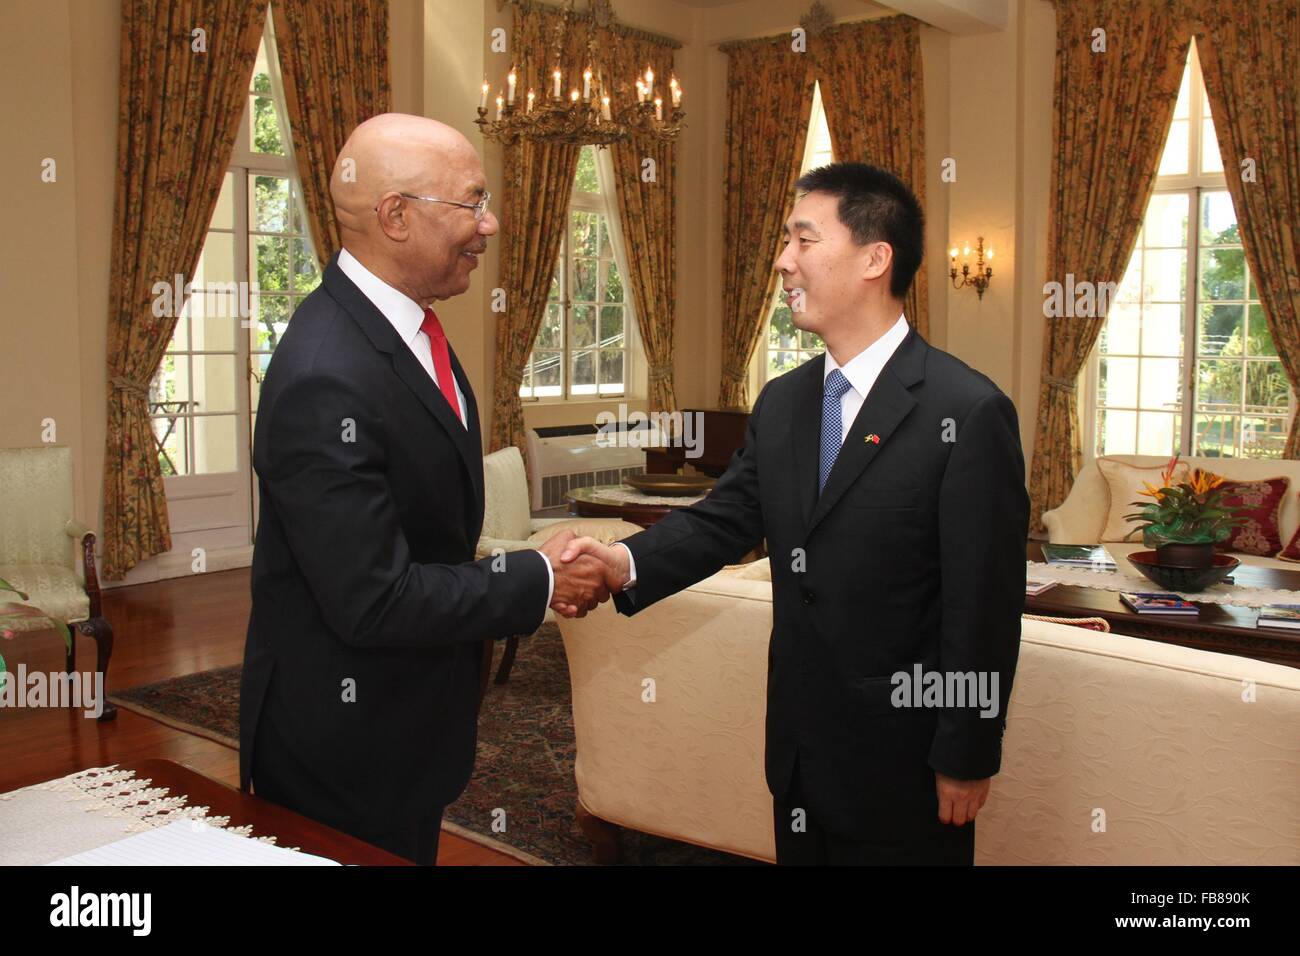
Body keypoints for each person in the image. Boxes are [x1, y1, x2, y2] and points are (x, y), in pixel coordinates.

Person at [560, 163, 1030, 865]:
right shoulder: (784, 402)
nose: (782, 261)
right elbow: (725, 520)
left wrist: (966, 750)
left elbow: (983, 605)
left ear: (876, 258)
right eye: (786, 242)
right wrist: (623, 562)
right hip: (800, 753)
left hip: (904, 763)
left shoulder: (966, 411)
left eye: (804, 240)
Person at [239, 114, 609, 865]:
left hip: (405, 721)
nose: (491, 223)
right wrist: (535, 575)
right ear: (395, 216)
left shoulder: (410, 331)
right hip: (343, 746)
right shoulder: (325, 374)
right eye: (472, 203)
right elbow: (373, 599)